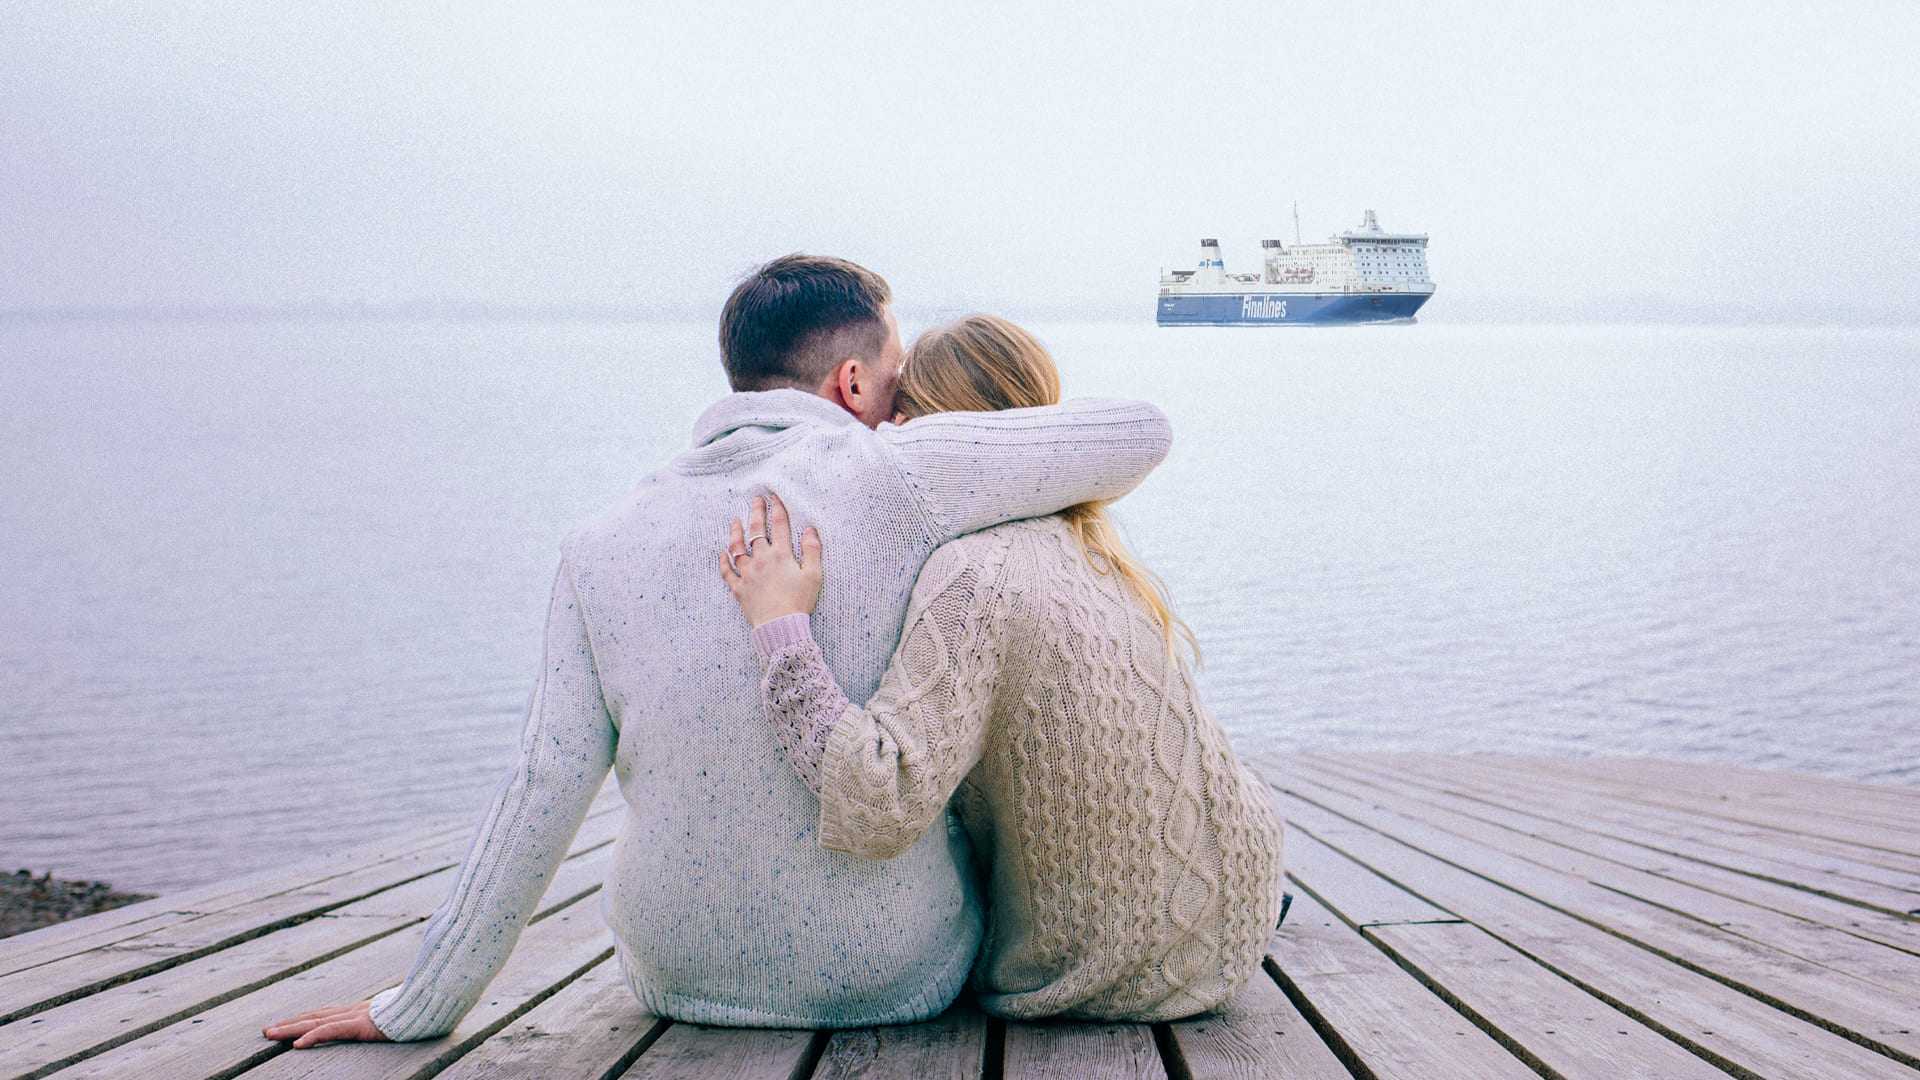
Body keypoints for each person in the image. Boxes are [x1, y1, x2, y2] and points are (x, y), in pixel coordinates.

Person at [264, 258, 1173, 1047]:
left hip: (675, 982)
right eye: (898, 387)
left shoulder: (598, 543)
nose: (905, 414)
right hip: (893, 982)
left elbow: (541, 788)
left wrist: (416, 1004)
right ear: (853, 384)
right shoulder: (898, 476)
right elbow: (1141, 433)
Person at [721, 315, 1285, 1021]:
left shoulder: (972, 574)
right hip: (1237, 918)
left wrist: (781, 630)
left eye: (901, 419)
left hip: (1112, 971)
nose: (885, 439)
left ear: (939, 434)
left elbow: (880, 803)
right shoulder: (1096, 549)